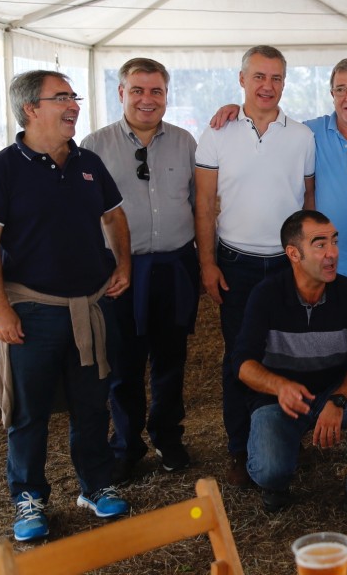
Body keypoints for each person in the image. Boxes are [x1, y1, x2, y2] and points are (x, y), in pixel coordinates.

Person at [210, 59, 347, 441]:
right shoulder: (311, 133)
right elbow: (269, 121)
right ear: (331, 93)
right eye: (340, 89)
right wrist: (235, 110)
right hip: (336, 267)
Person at [0, 70, 132, 541]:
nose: (74, 105)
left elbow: (115, 216)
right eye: (62, 97)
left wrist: (124, 265)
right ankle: (29, 499)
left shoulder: (88, 162)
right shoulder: (1, 169)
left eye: (74, 96)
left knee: (91, 404)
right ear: (30, 109)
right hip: (33, 310)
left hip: (90, 306)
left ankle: (96, 485)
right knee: (28, 412)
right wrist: (0, 309)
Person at [195, 45, 316, 486]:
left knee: (288, 355)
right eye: (259, 76)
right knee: (240, 357)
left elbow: (308, 200)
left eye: (276, 78)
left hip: (287, 266)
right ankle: (240, 447)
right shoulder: (217, 132)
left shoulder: (301, 136)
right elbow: (204, 202)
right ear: (242, 79)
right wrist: (207, 263)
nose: (268, 86)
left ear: (285, 82)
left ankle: (285, 441)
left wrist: (309, 262)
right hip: (236, 264)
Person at [235, 210, 347, 528]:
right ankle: (276, 481)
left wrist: (338, 399)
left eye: (334, 241)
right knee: (269, 471)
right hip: (279, 400)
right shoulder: (266, 294)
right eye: (320, 244)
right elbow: (242, 364)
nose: (332, 253)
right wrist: (280, 387)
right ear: (293, 254)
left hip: (332, 390)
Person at [81, 58, 200, 483]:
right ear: (121, 93)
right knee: (124, 364)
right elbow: (84, 213)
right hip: (120, 271)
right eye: (137, 90)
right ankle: (127, 445)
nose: (147, 99)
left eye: (156, 91)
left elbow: (200, 203)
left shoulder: (186, 142)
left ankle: (168, 436)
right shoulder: (94, 145)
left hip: (174, 266)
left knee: (171, 358)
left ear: (166, 95)